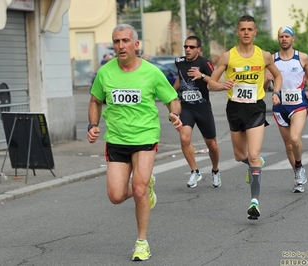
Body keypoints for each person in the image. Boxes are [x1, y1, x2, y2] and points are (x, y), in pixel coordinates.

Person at [87, 24, 182, 261]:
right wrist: (93, 124)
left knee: (138, 189)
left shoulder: (151, 72)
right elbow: (95, 100)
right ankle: (146, 185)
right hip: (117, 140)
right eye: (116, 41)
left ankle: (142, 242)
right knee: (116, 196)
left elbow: (172, 99)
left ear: (136, 45)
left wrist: (174, 114)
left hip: (145, 137)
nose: (121, 46)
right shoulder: (105, 73)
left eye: (125, 41)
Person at [208, 15, 282, 220]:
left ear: (255, 32)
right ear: (238, 32)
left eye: (250, 29)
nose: (246, 32)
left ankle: (254, 202)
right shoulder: (227, 57)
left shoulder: (264, 56)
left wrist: (275, 92)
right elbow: (210, 84)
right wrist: (223, 85)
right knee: (241, 156)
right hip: (234, 108)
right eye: (243, 29)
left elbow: (277, 76)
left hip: (255, 108)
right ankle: (254, 163)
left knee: (254, 154)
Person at [272, 26, 308, 193]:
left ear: (292, 39)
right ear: (278, 39)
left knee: (294, 138)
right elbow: (264, 84)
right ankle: (297, 174)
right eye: (281, 36)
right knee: (289, 145)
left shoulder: (302, 57)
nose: (284, 39)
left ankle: (299, 165)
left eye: (287, 36)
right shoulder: (272, 59)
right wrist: (268, 80)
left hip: (298, 104)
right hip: (279, 106)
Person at [173, 36, 220, 188]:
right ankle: (195, 171)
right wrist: (170, 93)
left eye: (191, 47)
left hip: (203, 108)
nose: (187, 49)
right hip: (186, 108)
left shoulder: (204, 63)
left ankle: (215, 170)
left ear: (199, 49)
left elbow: (215, 82)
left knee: (211, 144)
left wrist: (202, 76)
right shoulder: (179, 62)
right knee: (184, 138)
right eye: (186, 46)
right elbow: (180, 79)